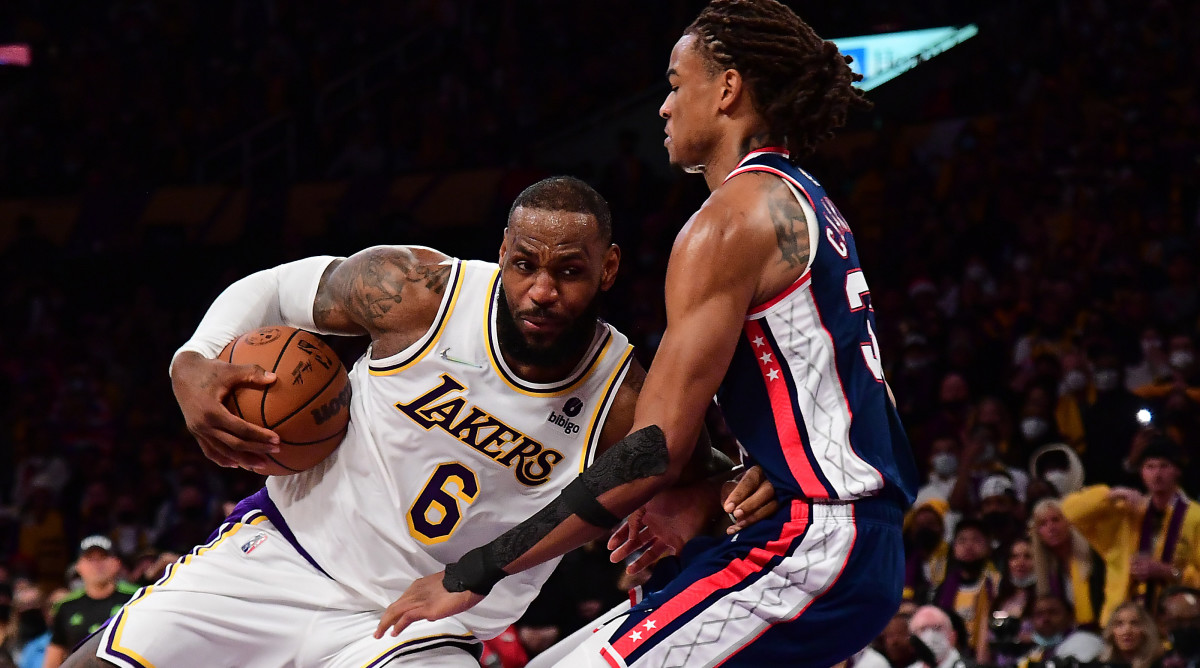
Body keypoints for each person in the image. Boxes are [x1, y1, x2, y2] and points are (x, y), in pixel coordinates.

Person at [378, 2, 921, 666]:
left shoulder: (728, 220)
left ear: (727, 89)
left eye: (673, 82)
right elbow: (862, 400)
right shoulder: (811, 203)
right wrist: (773, 473)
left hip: (818, 548)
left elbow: (652, 451)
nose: (663, 107)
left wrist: (473, 571)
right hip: (844, 538)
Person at [63, 176, 775, 668]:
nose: (541, 290)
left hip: (428, 620)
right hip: (287, 554)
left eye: (570, 271)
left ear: (609, 268)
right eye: (524, 263)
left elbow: (695, 469)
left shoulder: (626, 398)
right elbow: (277, 287)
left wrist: (744, 484)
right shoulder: (420, 295)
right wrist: (191, 360)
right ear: (502, 250)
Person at [1062, 435, 1200, 625]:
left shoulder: (1195, 517)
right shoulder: (1126, 512)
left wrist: (1168, 572)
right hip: (1121, 625)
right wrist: (1112, 493)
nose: (1157, 474)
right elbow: (1070, 512)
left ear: (1177, 471)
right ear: (1141, 472)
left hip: (1174, 625)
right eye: (1150, 467)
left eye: (1164, 466)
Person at [43, 537, 136, 668]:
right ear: (78, 566)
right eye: (90, 559)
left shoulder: (135, 599)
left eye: (102, 558)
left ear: (116, 563)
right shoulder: (66, 606)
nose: (97, 565)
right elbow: (55, 654)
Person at [1029, 498, 1106, 629]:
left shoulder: (1094, 557)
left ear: (1069, 523)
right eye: (1043, 524)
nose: (1051, 528)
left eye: (1056, 520)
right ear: (1038, 534)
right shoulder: (1050, 571)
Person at [1016, 595, 1103, 667]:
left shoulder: (1085, 641)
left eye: (1053, 612)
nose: (1045, 619)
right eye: (1039, 614)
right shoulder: (1036, 650)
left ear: (1070, 616)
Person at [1099, 601, 1164, 668]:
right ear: (1111, 631)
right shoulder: (1100, 664)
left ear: (1145, 630)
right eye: (1119, 624)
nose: (1127, 631)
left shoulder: (1162, 663)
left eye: (1134, 623)